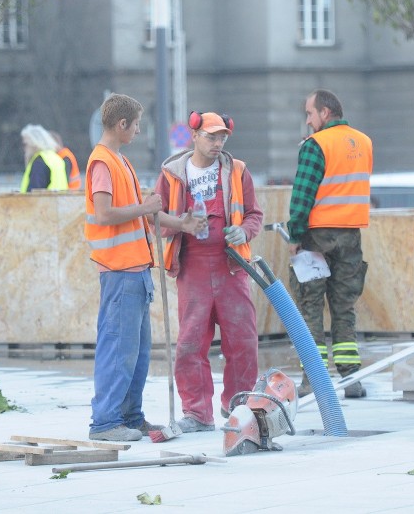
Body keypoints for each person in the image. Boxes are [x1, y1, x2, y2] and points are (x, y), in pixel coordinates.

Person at [83, 93, 205, 442]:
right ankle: (105, 423)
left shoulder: (121, 162)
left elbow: (145, 211)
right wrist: (146, 207)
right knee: (118, 350)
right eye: (136, 124)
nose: (138, 130)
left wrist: (181, 224)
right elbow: (106, 215)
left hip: (136, 270)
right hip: (119, 271)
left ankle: (130, 416)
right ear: (122, 125)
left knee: (134, 355)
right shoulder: (103, 163)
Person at [154, 111, 264, 432]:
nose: (217, 143)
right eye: (211, 136)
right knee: (190, 344)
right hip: (192, 267)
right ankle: (197, 413)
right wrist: (179, 225)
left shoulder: (237, 171)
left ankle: (239, 407)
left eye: (222, 138)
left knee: (242, 341)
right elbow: (156, 216)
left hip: (231, 267)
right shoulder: (173, 174)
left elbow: (254, 214)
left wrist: (243, 231)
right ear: (195, 135)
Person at [287, 89, 372, 399]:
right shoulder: (363, 142)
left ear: (324, 113)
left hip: (317, 236)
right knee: (344, 305)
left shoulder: (315, 145)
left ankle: (314, 380)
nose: (308, 121)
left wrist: (295, 234)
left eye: (310, 114)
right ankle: (352, 378)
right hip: (351, 235)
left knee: (310, 306)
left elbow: (303, 194)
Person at [19, 125, 69, 192]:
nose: (24, 148)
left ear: (34, 143)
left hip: (42, 202)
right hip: (58, 201)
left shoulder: (39, 162)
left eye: (25, 144)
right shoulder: (57, 159)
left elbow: (33, 193)